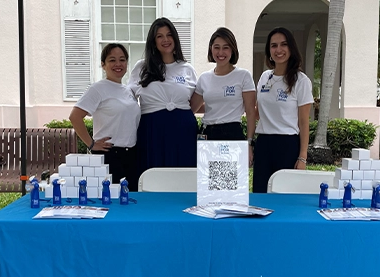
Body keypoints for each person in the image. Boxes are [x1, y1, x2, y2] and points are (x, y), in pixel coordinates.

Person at [128, 17, 198, 178]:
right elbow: (128, 99)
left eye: (169, 35)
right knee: (153, 173)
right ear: (153, 41)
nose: (165, 40)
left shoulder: (187, 68)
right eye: (159, 36)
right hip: (152, 128)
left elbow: (197, 100)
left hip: (183, 129)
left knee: (183, 174)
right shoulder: (141, 67)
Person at [69, 43, 140, 192]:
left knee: (131, 201)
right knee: (112, 202)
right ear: (103, 64)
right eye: (112, 60)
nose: (118, 64)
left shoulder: (128, 90)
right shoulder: (98, 88)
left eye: (122, 59)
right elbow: (75, 117)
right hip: (109, 155)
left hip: (131, 155)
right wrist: (91, 144)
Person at [252, 27, 314, 193]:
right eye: (273, 46)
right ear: (269, 51)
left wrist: (302, 157)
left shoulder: (301, 81)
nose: (278, 50)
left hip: (287, 145)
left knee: (284, 194)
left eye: (283, 44)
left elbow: (303, 122)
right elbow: (257, 112)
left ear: (291, 48)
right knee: (261, 193)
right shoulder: (265, 77)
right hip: (263, 143)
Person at [190, 27, 256, 146]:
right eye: (216, 47)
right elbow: (191, 108)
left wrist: (249, 142)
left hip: (232, 133)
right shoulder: (204, 78)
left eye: (225, 47)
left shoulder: (243, 76)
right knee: (206, 166)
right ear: (211, 49)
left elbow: (251, 112)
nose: (220, 52)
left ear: (232, 49)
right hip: (207, 133)